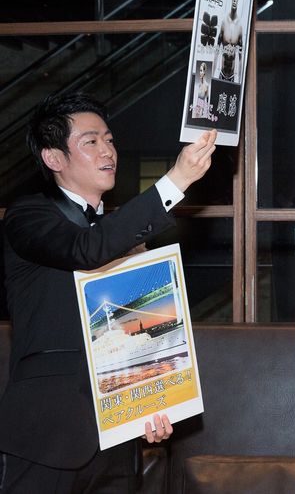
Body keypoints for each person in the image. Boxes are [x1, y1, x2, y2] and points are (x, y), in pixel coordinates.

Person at [0, 92, 217, 493]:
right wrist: (177, 179)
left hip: (119, 441)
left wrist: (157, 403)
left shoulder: (123, 233)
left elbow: (143, 336)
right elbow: (85, 249)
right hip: (47, 435)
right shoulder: (28, 215)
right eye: (91, 141)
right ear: (54, 158)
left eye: (110, 140)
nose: (108, 151)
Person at [215, 0, 243, 83]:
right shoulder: (224, 23)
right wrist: (211, 78)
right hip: (221, 75)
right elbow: (216, 53)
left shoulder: (240, 27)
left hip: (232, 78)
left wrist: (240, 83)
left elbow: (240, 59)